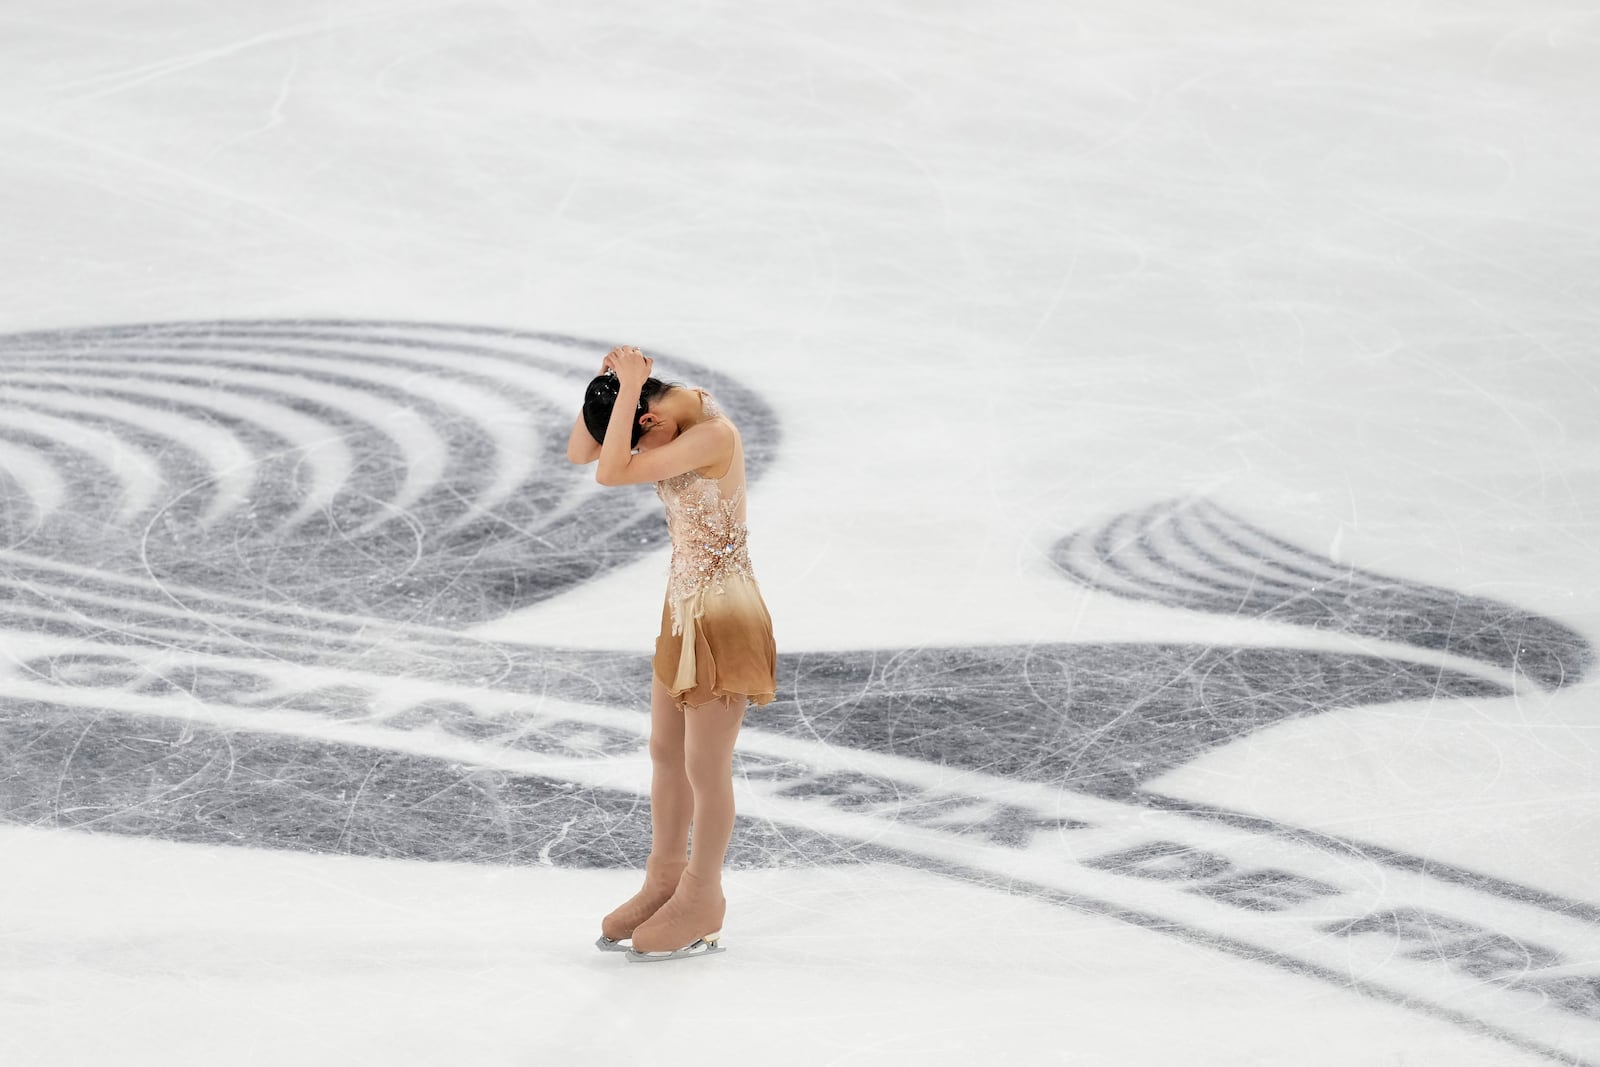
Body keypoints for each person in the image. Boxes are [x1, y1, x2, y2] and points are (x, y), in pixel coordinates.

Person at [566, 345, 777, 962]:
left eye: (638, 440)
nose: (638, 459)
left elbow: (608, 472)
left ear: (652, 421)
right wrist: (612, 385)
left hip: (723, 612)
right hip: (683, 604)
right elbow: (584, 451)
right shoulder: (661, 418)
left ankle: (703, 896)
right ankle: (664, 880)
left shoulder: (713, 434)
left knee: (705, 763)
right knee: (665, 751)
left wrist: (629, 393)